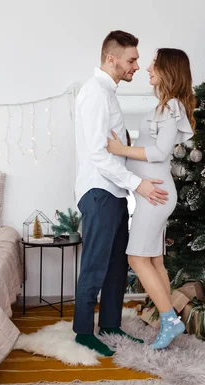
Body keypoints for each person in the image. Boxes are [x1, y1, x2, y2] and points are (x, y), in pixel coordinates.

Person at [73, 30, 169, 357]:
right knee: (96, 265)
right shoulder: (95, 94)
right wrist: (137, 183)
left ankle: (111, 324)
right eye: (131, 60)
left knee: (116, 265)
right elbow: (98, 154)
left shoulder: (109, 93)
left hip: (114, 193)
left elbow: (117, 149)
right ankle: (83, 331)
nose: (136, 66)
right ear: (111, 59)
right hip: (99, 192)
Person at [106, 48, 196, 349]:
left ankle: (170, 320)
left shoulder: (170, 108)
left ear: (168, 70)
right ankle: (167, 320)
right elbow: (150, 146)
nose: (147, 68)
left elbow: (159, 153)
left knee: (136, 258)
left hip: (155, 195)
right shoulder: (166, 106)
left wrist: (121, 151)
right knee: (154, 259)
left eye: (154, 64)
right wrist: (129, 147)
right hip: (154, 194)